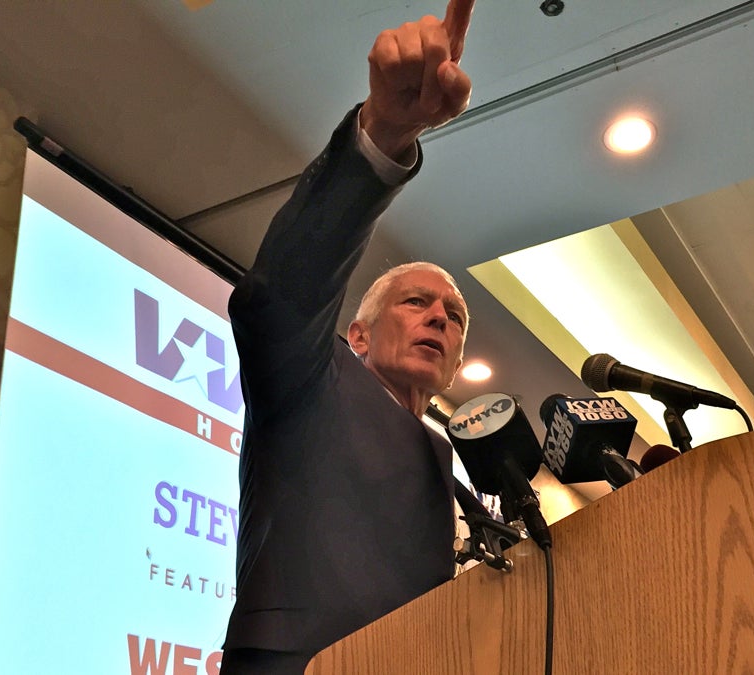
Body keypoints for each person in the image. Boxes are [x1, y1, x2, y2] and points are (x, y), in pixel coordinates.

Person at [219, 1, 477, 672]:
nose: (440, 317)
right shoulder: (312, 374)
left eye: (453, 314)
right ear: (357, 334)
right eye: (416, 301)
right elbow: (277, 296)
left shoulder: (446, 459)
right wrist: (387, 132)